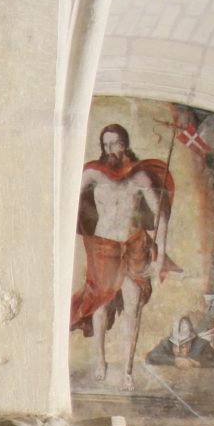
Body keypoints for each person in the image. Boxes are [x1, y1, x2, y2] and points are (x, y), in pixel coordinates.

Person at [71, 123, 176, 383]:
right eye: (105, 145)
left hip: (133, 246)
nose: (110, 150)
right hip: (104, 247)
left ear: (125, 144)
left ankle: (127, 370)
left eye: (115, 144)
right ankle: (100, 363)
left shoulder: (139, 178)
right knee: (100, 306)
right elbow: (67, 197)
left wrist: (160, 255)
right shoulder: (94, 175)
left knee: (132, 308)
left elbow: (161, 217)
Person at [144, 314, 214, 368]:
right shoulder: (166, 343)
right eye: (175, 346)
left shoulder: (202, 345)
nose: (178, 350)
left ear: (191, 341)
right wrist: (174, 360)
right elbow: (151, 357)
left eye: (183, 346)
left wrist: (197, 364)